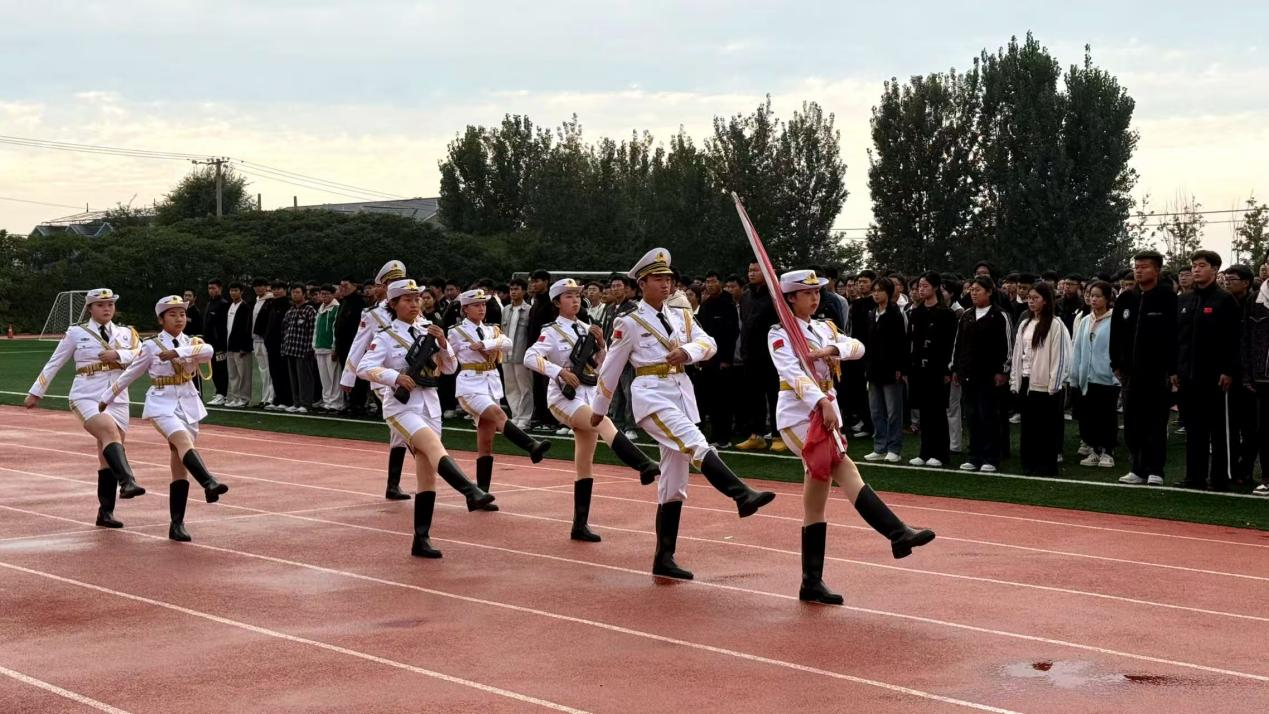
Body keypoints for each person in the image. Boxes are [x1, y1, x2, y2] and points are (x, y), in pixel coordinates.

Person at [590, 248, 775, 580]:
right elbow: (611, 369)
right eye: (658, 279)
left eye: (668, 278)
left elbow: (710, 344)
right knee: (695, 442)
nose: (665, 284)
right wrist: (598, 410)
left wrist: (687, 352)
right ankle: (741, 494)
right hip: (651, 395)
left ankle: (664, 557)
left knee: (674, 483)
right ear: (642, 283)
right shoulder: (628, 322)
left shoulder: (681, 316)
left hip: (679, 394)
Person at [768, 270, 935, 604]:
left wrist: (830, 349)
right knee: (844, 468)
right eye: (807, 293)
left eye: (817, 292)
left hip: (825, 412)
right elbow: (791, 374)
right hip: (799, 415)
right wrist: (820, 402)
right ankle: (896, 532)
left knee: (815, 502)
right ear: (790, 298)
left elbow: (857, 346)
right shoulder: (780, 332)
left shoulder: (823, 328)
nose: (815, 298)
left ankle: (811, 582)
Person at [357, 279, 495, 558]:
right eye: (407, 300)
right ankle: (470, 490)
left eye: (417, 299)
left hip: (430, 405)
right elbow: (364, 367)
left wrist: (443, 343)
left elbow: (450, 368)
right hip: (401, 407)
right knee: (433, 447)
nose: (414, 304)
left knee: (427, 474)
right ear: (393, 304)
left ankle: (421, 538)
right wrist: (395, 377)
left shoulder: (428, 330)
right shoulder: (385, 335)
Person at [523, 278, 661, 540]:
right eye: (568, 296)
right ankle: (643, 463)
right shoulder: (551, 331)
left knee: (584, 463)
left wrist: (602, 345)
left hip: (588, 395)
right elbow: (529, 357)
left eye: (577, 296)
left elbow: (602, 365)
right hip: (563, 399)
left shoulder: (589, 328)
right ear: (556, 302)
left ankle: (579, 525)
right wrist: (559, 371)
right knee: (603, 422)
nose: (575, 300)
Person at [98, 295, 230, 542]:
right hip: (162, 403)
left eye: (182, 314)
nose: (179, 319)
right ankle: (208, 481)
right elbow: (130, 373)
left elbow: (208, 351)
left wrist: (177, 352)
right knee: (182, 442)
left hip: (188, 403)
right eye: (172, 315)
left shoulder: (192, 342)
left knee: (179, 464)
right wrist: (107, 397)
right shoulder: (151, 345)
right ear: (161, 319)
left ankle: (176, 524)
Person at [25, 288, 147, 527]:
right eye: (100, 305)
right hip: (86, 394)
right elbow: (55, 361)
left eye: (110, 304)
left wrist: (118, 354)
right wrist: (36, 391)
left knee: (107, 455)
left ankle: (105, 512)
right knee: (109, 432)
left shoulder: (125, 333)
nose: (107, 308)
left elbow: (142, 355)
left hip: (117, 396)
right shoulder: (76, 332)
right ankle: (128, 481)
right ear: (90, 308)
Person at [449, 287, 551, 510]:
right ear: (465, 309)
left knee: (486, 442)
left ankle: (480, 494)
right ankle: (531, 445)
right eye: (476, 305)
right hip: (470, 385)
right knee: (498, 415)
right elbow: (447, 356)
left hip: (490, 384)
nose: (481, 308)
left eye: (483, 304)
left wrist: (485, 344)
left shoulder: (491, 330)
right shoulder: (456, 332)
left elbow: (507, 343)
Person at [341, 261, 414, 499]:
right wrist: (348, 377)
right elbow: (358, 345)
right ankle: (440, 467)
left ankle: (393, 485)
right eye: (391, 282)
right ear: (383, 286)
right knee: (407, 426)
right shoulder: (373, 314)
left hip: (413, 377)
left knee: (399, 432)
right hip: (384, 379)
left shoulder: (413, 308)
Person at [1110, 251, 1178, 486]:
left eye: (1144, 266)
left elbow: (1174, 336)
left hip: (1157, 372)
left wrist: (1172, 369)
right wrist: (1116, 363)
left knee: (1156, 422)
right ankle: (1137, 468)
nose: (1139, 270)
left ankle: (1156, 470)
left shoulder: (1167, 298)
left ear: (1157, 270)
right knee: (1132, 423)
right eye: (1136, 266)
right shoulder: (1126, 299)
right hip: (1130, 373)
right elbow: (1116, 334)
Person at [1175, 250, 1241, 491]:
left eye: (1201, 265)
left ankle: (1220, 478)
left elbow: (1233, 339)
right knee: (1194, 429)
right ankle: (1194, 477)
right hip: (1188, 375)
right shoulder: (1184, 300)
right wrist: (1176, 369)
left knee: (1218, 429)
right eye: (1194, 265)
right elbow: (1177, 339)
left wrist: (1228, 370)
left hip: (1215, 377)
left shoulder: (1225, 300)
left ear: (1214, 269)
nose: (1196, 269)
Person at [1010, 282, 1072, 476]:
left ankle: (1045, 465)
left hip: (1045, 385)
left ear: (1045, 301)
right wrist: (1015, 381)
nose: (1031, 301)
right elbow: (1018, 354)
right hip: (1027, 380)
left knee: (1045, 427)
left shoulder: (1055, 325)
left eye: (1035, 298)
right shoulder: (1025, 324)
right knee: (1029, 426)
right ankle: (1029, 463)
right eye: (1029, 298)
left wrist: (1054, 384)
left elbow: (1060, 356)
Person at [952, 276, 1013, 473]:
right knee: (972, 416)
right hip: (968, 374)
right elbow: (958, 344)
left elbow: (1007, 345)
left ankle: (991, 457)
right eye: (971, 290)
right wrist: (956, 368)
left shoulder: (999, 315)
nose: (973, 293)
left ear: (989, 292)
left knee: (988, 415)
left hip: (989, 376)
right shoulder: (967, 315)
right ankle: (974, 455)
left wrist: (1003, 370)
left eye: (978, 290)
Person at [907, 271, 957, 467]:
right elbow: (911, 342)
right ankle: (925, 451)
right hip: (918, 369)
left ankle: (940, 453)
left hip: (938, 369)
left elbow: (951, 343)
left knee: (937, 412)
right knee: (924, 412)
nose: (921, 289)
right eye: (919, 286)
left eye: (925, 286)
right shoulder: (916, 312)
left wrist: (948, 370)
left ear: (935, 287)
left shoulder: (946, 314)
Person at [1071, 280, 1119, 468]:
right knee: (1089, 416)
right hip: (1087, 377)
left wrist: (1115, 374)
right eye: (1091, 296)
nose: (1093, 299)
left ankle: (1108, 451)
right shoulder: (1085, 321)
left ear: (1107, 299)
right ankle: (1094, 449)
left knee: (1107, 415)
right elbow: (1078, 348)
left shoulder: (1114, 320)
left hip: (1107, 377)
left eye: (1098, 296)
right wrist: (1075, 374)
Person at [863, 278, 908, 463]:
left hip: (891, 370)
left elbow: (902, 343)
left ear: (888, 293)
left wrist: (900, 368)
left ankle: (894, 448)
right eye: (874, 290)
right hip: (873, 369)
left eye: (879, 290)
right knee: (876, 411)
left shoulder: (896, 314)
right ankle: (880, 447)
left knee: (893, 412)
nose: (876, 293)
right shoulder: (871, 314)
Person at [1242, 267, 1269, 496]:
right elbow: (1246, 338)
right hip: (1263, 376)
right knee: (1264, 429)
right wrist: (1247, 373)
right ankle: (1267, 478)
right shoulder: (1255, 299)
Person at [500, 277, 535, 430]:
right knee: (510, 387)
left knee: (525, 387)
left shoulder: (529, 310)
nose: (513, 292)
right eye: (511, 289)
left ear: (524, 291)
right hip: (506, 354)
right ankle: (515, 416)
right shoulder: (505, 309)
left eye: (517, 289)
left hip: (522, 354)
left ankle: (525, 418)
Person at [223, 282, 254, 407]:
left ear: (241, 292)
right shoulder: (230, 306)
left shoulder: (245, 307)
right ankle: (235, 398)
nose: (233, 293)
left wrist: (245, 347)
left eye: (236, 290)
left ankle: (244, 398)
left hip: (241, 347)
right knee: (233, 374)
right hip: (230, 346)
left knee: (244, 375)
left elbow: (248, 328)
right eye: (231, 290)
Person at [313, 284, 342, 411]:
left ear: (333, 294)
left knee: (334, 377)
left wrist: (335, 348)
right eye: (322, 294)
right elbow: (316, 329)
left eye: (327, 294)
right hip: (320, 347)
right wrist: (314, 346)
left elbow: (336, 329)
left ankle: (336, 403)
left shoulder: (336, 308)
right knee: (324, 377)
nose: (324, 296)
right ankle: (327, 401)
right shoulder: (320, 309)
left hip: (330, 348)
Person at [203, 279, 229, 405]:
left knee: (221, 369)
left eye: (213, 288)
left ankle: (223, 394)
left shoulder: (224, 304)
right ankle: (219, 392)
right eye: (209, 288)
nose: (211, 291)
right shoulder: (209, 303)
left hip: (219, 344)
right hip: (209, 344)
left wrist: (222, 344)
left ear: (220, 288)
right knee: (213, 368)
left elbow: (223, 326)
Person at [250, 278, 275, 408]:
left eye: (261, 286)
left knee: (270, 370)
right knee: (263, 370)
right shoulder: (256, 301)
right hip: (256, 340)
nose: (258, 288)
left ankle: (271, 397)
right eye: (256, 286)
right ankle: (264, 397)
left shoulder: (270, 301)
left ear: (266, 287)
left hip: (266, 340)